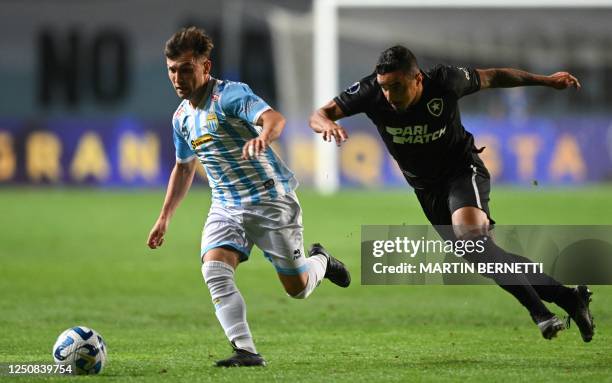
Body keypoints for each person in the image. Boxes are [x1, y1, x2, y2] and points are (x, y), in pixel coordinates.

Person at [309, 45, 594, 341]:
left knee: (471, 237)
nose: (390, 96)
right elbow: (318, 114)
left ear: (417, 79)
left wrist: (546, 81)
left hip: (462, 170)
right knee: (482, 254)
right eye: (385, 88)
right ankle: (568, 298)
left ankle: (541, 314)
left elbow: (495, 76)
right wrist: (327, 123)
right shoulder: (369, 91)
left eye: (397, 86)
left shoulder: (445, 81)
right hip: (425, 188)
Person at [147, 26, 351, 367]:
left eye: (185, 68)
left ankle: (322, 262)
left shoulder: (229, 96)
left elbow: (274, 118)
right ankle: (246, 350)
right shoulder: (181, 118)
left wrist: (264, 137)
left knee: (298, 288)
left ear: (205, 67)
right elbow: (183, 168)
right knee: (214, 269)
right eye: (172, 70)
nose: (178, 77)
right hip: (225, 205)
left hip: (269, 201)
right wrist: (164, 217)